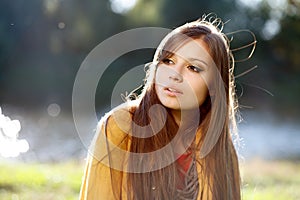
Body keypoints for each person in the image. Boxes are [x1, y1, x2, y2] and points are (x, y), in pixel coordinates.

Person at [79, 14, 242, 200]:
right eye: (168, 61)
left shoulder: (221, 148)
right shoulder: (119, 127)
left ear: (214, 85)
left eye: (193, 68)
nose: (175, 75)